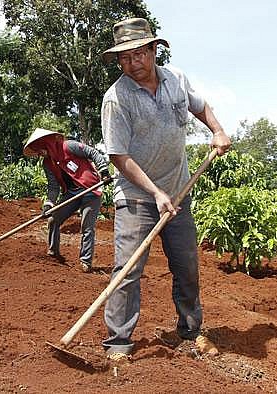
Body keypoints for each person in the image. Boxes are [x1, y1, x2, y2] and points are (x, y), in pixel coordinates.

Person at [100, 17, 232, 361]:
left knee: (186, 265)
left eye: (139, 54)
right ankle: (118, 341)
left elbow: (199, 105)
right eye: (125, 58)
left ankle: (190, 330)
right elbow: (119, 155)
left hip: (178, 193)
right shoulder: (116, 98)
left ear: (154, 50)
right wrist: (155, 193)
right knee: (127, 269)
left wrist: (217, 131)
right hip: (137, 198)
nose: (132, 63)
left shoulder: (176, 80)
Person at [23, 128, 111, 273]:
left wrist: (104, 171)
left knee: (87, 226)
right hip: (71, 194)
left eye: (39, 150)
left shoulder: (68, 146)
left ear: (46, 144)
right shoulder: (47, 164)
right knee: (53, 219)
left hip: (91, 190)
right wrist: (48, 204)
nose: (39, 154)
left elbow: (93, 153)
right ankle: (54, 254)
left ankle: (85, 262)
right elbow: (53, 187)